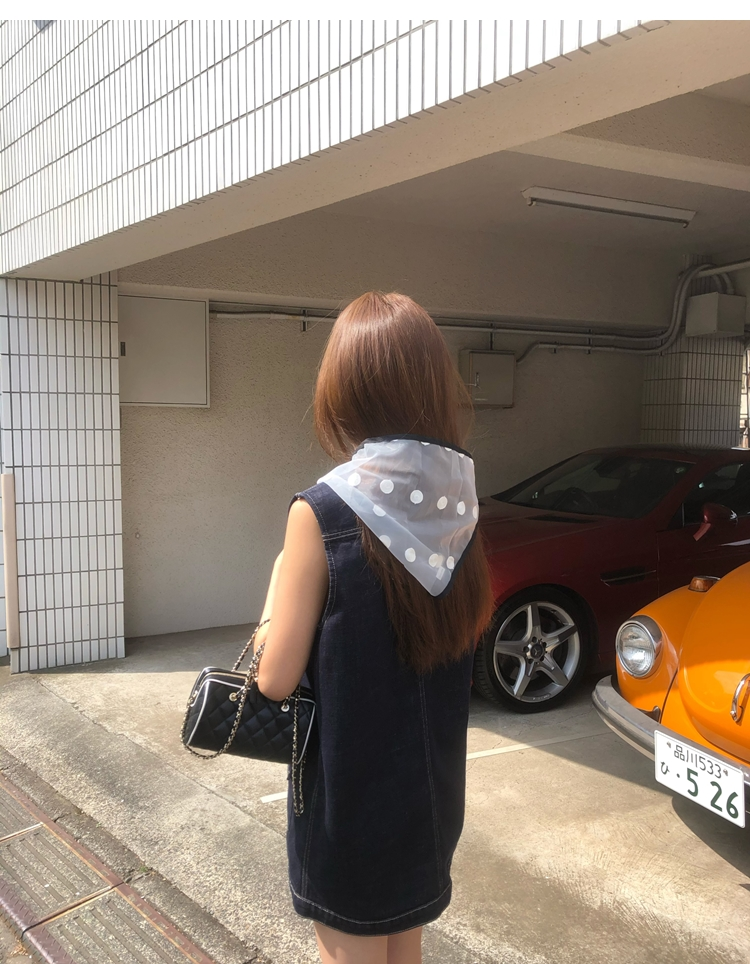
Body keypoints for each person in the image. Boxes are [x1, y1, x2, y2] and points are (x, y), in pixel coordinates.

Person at [253, 291, 494, 964]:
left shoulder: (321, 511)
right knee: (403, 949)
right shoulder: (461, 510)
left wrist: (278, 577)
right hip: (432, 798)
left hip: (348, 804)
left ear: (347, 391)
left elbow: (273, 679)